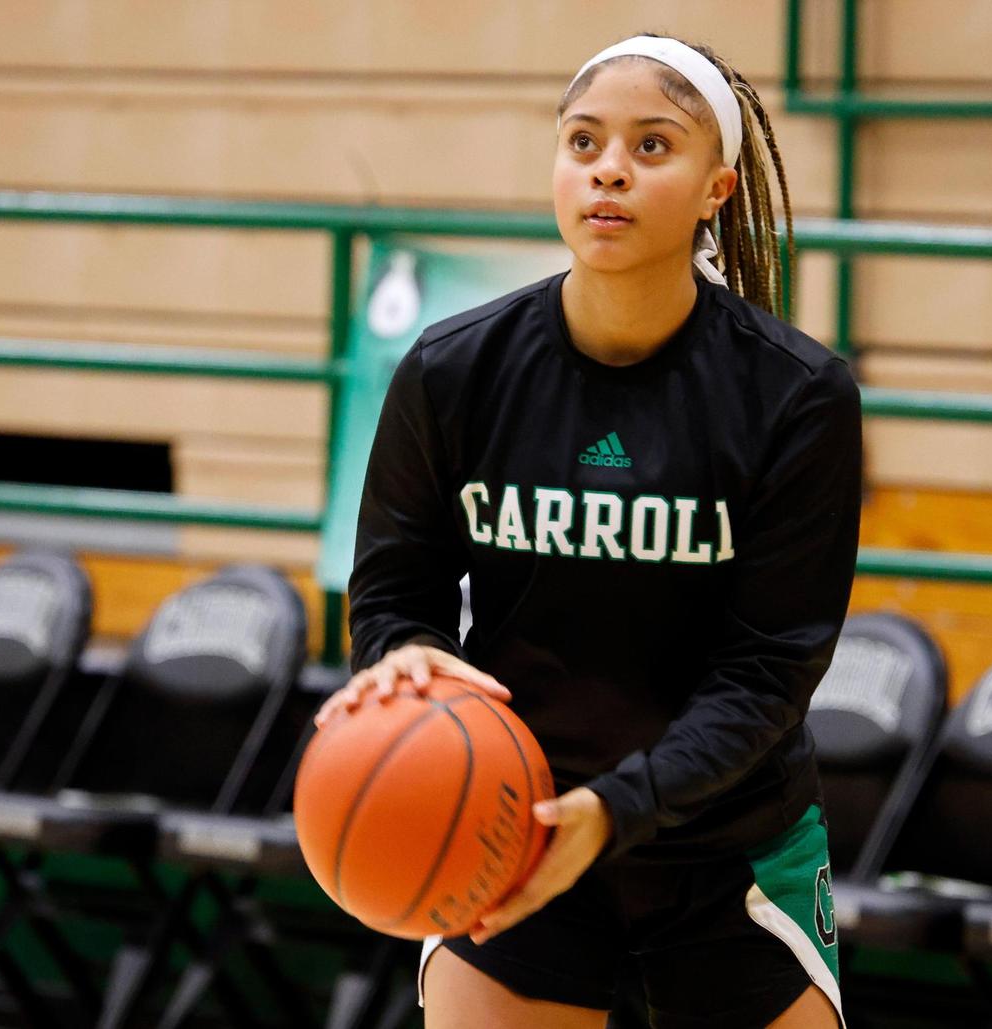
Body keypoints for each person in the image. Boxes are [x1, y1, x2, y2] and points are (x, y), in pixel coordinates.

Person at [315, 32, 861, 1029]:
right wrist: (404, 660)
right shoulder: (452, 371)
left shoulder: (796, 397)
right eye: (583, 141)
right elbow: (397, 597)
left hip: (723, 848)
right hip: (504, 827)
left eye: (653, 146)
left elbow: (767, 674)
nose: (609, 166)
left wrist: (619, 808)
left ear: (718, 190)